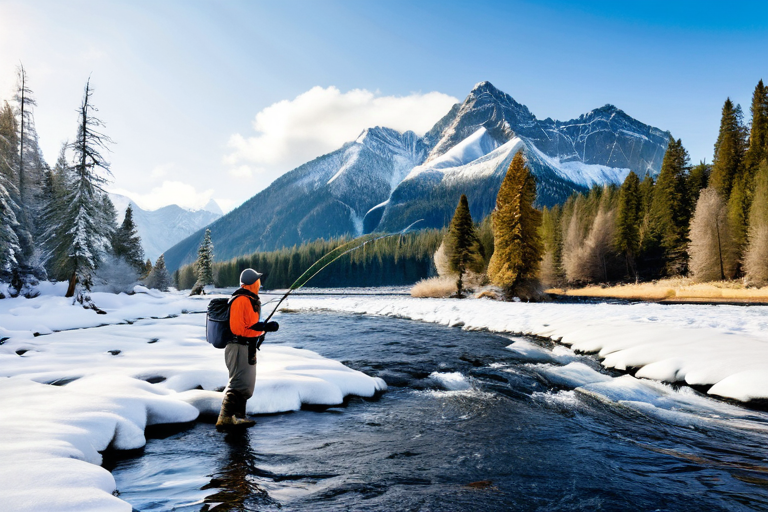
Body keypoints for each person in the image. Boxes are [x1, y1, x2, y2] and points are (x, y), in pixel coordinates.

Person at [216, 268, 279, 430]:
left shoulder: (251, 300)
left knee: (246, 385)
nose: (260, 282)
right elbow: (239, 329)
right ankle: (224, 418)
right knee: (238, 383)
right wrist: (263, 328)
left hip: (247, 347)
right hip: (238, 346)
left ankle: (238, 417)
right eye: (257, 279)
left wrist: (264, 327)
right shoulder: (241, 300)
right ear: (252, 282)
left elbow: (250, 325)